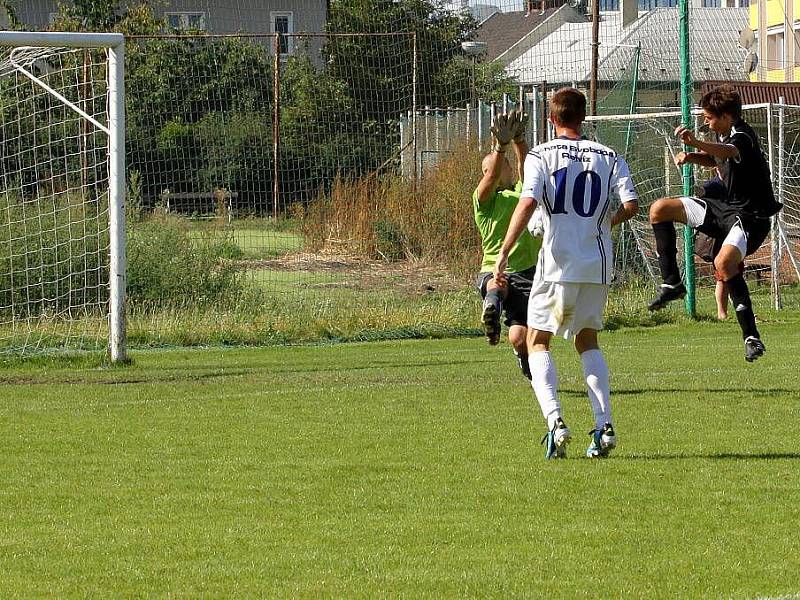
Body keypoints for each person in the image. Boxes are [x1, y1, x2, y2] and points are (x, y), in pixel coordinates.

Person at [494, 88, 639, 459]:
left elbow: (527, 204)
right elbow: (632, 205)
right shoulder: (609, 155)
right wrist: (607, 222)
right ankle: (603, 427)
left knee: (537, 341)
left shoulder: (542, 154)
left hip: (557, 267)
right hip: (596, 266)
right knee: (587, 340)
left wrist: (503, 253)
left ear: (551, 118)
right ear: (583, 116)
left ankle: (555, 422)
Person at [647, 85, 782, 361]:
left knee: (724, 264)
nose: (706, 122)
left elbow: (729, 151)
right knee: (660, 209)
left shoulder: (743, 135)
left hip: (750, 218)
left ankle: (751, 337)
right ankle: (672, 284)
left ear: (726, 116)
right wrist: (691, 156)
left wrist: (694, 142)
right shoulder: (725, 135)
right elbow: (716, 157)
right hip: (725, 209)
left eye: (709, 117)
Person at [474, 109, 542, 380]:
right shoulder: (483, 201)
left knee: (519, 336)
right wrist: (500, 147)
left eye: (502, 165)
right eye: (490, 168)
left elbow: (530, 172)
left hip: (526, 272)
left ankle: (522, 355)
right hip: (493, 268)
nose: (497, 169)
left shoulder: (520, 193)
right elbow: (489, 180)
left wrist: (519, 140)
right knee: (496, 283)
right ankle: (491, 304)